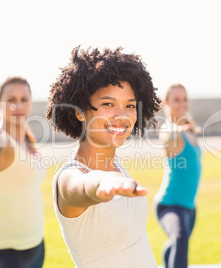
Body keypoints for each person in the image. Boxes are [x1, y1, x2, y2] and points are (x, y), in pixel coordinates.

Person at [46, 46, 161, 268]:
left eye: (129, 105)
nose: (121, 115)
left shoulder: (116, 165)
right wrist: (103, 182)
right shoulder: (69, 177)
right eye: (108, 104)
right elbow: (82, 186)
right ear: (79, 110)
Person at [0, 77, 45, 268]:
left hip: (35, 244)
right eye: (11, 100)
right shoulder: (0, 143)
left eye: (24, 99)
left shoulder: (27, 140)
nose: (18, 106)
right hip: (6, 251)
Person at [152, 84, 202, 268]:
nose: (182, 104)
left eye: (184, 99)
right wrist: (174, 132)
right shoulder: (169, 130)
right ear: (166, 103)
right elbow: (166, 137)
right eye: (176, 100)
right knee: (180, 239)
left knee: (177, 242)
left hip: (190, 206)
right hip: (170, 205)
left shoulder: (189, 129)